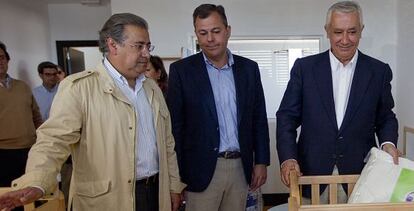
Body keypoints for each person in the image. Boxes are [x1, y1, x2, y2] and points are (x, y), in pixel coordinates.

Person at [0, 13, 185, 211]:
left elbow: (167, 143)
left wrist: (174, 186)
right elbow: (52, 141)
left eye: (148, 46)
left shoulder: (151, 88)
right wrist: (36, 181)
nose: (147, 54)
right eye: (139, 46)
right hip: (107, 200)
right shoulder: (79, 88)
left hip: (156, 192)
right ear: (113, 45)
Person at [276, 0, 401, 201]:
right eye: (338, 32)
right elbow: (286, 117)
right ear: (327, 31)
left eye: (352, 31)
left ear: (361, 30)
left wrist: (388, 143)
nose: (345, 40)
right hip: (311, 174)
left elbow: (385, 116)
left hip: (361, 175)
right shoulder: (305, 69)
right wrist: (288, 158)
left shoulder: (378, 71)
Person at [167, 4, 270, 211]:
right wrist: (176, 178)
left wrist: (261, 161)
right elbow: (175, 128)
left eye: (216, 31)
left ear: (227, 30)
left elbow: (258, 118)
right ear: (196, 34)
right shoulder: (181, 71)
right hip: (199, 170)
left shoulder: (249, 69)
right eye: (203, 33)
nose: (210, 39)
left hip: (240, 168)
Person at [0, 41, 43, 211]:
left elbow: (36, 116)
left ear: (8, 60)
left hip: (30, 150)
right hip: (3, 153)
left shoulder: (23, 87)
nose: (0, 61)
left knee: (30, 197)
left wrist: (41, 140)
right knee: (9, 201)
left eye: (2, 57)